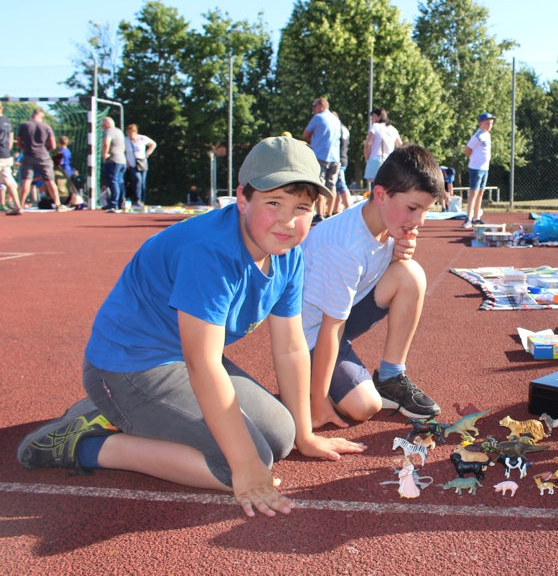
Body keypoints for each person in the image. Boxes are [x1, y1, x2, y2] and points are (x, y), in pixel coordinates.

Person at [17, 136, 365, 519]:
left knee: (282, 437)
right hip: (127, 367)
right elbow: (204, 363)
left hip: (183, 357)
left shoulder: (288, 253)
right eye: (273, 203)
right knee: (240, 464)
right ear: (243, 199)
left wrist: (305, 434)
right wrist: (246, 467)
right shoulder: (209, 252)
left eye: (301, 208)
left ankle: (120, 412)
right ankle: (82, 443)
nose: (288, 220)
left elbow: (291, 347)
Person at [301, 144, 444, 427]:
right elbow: (330, 327)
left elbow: (368, 274)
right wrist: (319, 401)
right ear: (380, 195)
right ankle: (306, 380)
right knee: (365, 406)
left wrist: (394, 257)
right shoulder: (344, 247)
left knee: (410, 274)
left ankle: (390, 377)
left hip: (339, 316)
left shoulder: (386, 221)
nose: (419, 221)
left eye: (425, 210)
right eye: (412, 208)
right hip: (311, 334)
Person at [17, 108, 69, 212]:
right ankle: (58, 204)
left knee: (26, 181)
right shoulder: (46, 127)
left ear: (32, 115)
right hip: (43, 156)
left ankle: (20, 206)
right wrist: (45, 150)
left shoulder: (24, 126)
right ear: (42, 117)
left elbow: (18, 142)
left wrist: (25, 148)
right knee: (50, 181)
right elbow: (53, 145)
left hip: (28, 156)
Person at [302, 97, 342, 223]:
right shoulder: (336, 120)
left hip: (321, 156)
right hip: (335, 157)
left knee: (319, 184)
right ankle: (330, 214)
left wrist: (315, 138)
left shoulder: (318, 118)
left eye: (314, 106)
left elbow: (306, 134)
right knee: (332, 186)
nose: (313, 109)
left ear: (321, 106)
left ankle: (320, 214)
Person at [462, 112, 493, 229]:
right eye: (487, 123)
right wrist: (475, 160)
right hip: (476, 168)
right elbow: (467, 150)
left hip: (485, 168)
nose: (489, 125)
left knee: (480, 193)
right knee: (473, 193)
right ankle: (468, 218)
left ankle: (476, 218)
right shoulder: (478, 135)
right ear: (480, 123)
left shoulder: (487, 135)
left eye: (491, 123)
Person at [364, 108, 401, 187]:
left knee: (376, 185)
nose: (372, 119)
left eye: (373, 116)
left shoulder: (375, 126)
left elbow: (367, 144)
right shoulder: (393, 129)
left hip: (376, 159)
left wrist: (367, 158)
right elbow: (399, 145)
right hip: (389, 161)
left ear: (380, 116)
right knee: (386, 185)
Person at [124, 124, 157, 208]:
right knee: (137, 179)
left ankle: (142, 200)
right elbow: (124, 151)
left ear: (135, 132)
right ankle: (137, 200)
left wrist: (147, 154)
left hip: (142, 163)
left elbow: (153, 144)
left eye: (131, 133)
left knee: (142, 182)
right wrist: (127, 162)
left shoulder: (142, 138)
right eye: (128, 133)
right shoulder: (126, 140)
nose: (129, 135)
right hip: (132, 164)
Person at [0, 102, 24, 216]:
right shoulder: (8, 122)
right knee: (9, 182)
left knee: (8, 182)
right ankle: (18, 206)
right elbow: (10, 142)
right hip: (6, 155)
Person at [100, 117, 126, 212]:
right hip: (122, 160)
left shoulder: (109, 131)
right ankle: (121, 202)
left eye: (102, 126)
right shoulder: (119, 131)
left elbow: (106, 143)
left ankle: (113, 203)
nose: (102, 128)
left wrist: (105, 155)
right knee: (120, 181)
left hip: (113, 160)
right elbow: (123, 146)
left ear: (106, 125)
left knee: (113, 181)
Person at [329, 112, 352, 216]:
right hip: (344, 158)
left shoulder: (336, 128)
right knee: (338, 184)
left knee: (341, 184)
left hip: (338, 158)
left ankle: (349, 209)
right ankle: (336, 209)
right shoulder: (345, 128)